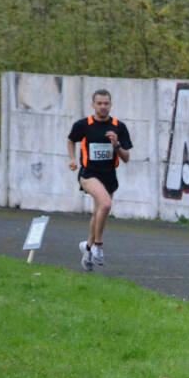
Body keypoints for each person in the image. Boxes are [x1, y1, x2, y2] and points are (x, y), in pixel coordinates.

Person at [67, 89, 132, 271]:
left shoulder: (119, 127)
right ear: (93, 105)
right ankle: (98, 245)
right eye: (99, 104)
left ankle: (86, 248)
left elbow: (126, 158)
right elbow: (71, 140)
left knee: (98, 214)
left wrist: (116, 145)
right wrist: (72, 159)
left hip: (109, 176)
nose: (103, 107)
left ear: (111, 105)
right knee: (105, 204)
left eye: (106, 104)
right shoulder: (84, 125)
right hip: (89, 175)